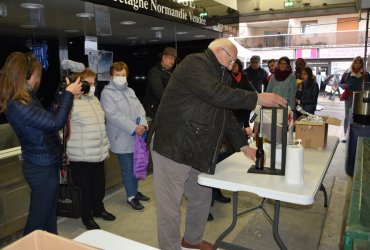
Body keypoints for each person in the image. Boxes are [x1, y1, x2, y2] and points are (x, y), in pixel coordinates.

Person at [148, 38, 287, 250]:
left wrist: (243, 146)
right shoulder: (194, 63)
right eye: (232, 61)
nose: (233, 66)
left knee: (202, 196)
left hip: (196, 146)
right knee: (170, 207)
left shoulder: (221, 75)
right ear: (220, 52)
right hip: (172, 144)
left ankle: (192, 240)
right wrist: (257, 98)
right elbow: (216, 94)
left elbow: (225, 112)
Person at [0, 52, 81, 235]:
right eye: (38, 73)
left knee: (48, 217)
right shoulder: (18, 103)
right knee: (37, 223)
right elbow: (54, 123)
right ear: (28, 75)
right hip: (40, 169)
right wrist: (68, 96)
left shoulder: (25, 98)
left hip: (45, 165)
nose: (39, 77)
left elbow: (47, 118)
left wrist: (64, 98)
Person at [67, 68, 115, 230]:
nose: (92, 86)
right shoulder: (70, 102)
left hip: (98, 153)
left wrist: (105, 148)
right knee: (84, 189)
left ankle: (98, 209)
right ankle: (87, 217)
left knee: (98, 186)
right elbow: (62, 129)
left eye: (94, 83)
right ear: (79, 83)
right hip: (81, 155)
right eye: (89, 83)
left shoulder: (94, 100)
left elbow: (101, 126)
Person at [100, 61, 150, 211]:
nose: (120, 77)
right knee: (127, 168)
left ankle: (134, 190)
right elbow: (113, 116)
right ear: (111, 76)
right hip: (121, 137)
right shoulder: (106, 93)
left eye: (123, 75)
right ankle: (131, 197)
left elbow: (140, 109)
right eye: (117, 75)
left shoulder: (130, 91)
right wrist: (134, 127)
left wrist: (143, 125)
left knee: (137, 165)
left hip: (137, 136)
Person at [143, 47, 177, 121]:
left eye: (174, 59)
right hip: (154, 112)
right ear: (164, 57)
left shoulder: (173, 73)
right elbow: (160, 94)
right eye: (171, 58)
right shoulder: (154, 72)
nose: (173, 61)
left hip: (167, 111)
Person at [339, 56, 365, 142]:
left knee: (358, 116)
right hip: (349, 96)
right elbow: (341, 83)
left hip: (360, 96)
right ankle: (346, 134)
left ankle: (355, 134)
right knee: (347, 115)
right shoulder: (347, 73)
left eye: (359, 62)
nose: (357, 64)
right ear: (353, 63)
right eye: (356, 62)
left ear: (361, 64)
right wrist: (345, 86)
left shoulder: (365, 74)